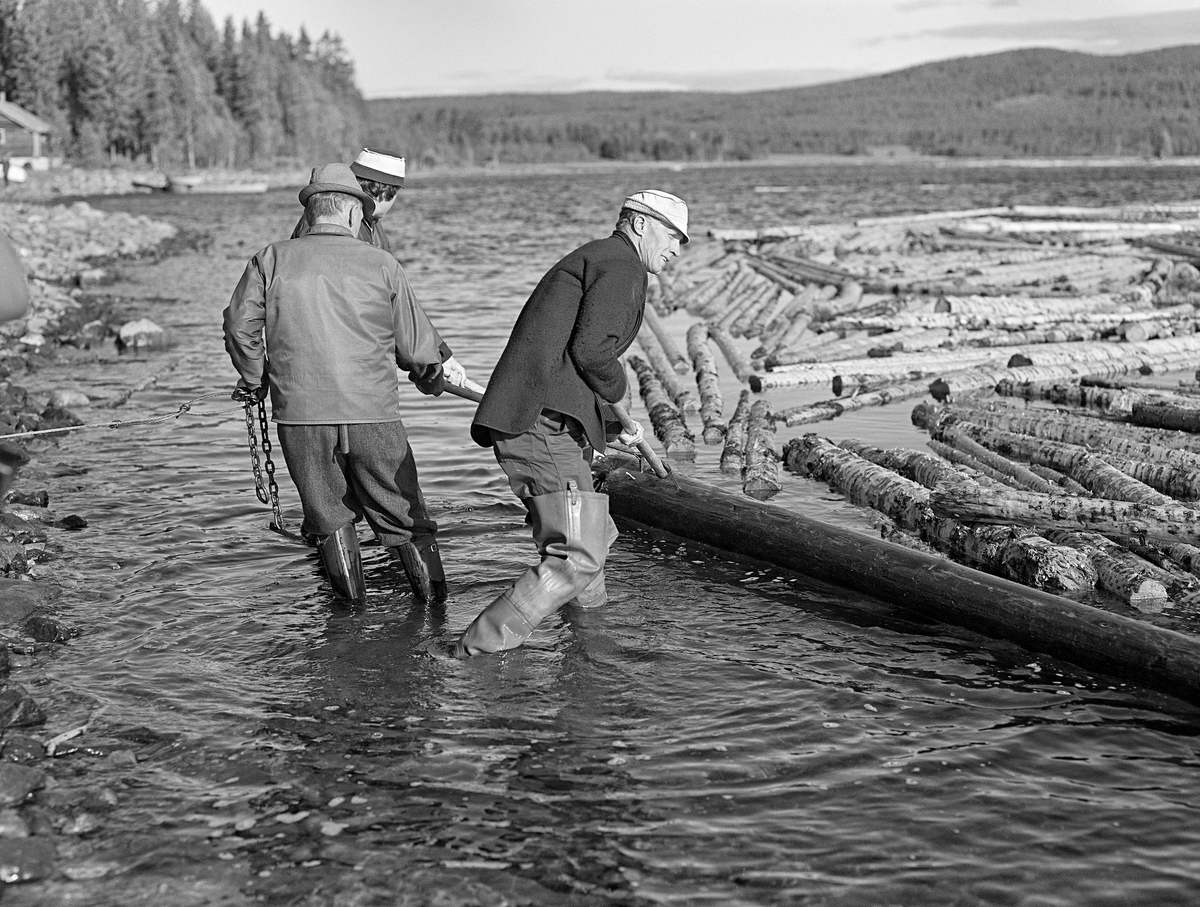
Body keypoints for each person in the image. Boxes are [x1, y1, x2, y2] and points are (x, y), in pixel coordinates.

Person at [455, 189, 689, 657]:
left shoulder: (603, 260)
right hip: (538, 427)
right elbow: (592, 351)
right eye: (671, 235)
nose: (677, 249)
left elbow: (565, 358)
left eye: (682, 241)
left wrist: (605, 418)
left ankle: (590, 652)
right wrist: (618, 392)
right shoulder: (621, 264)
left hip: (551, 420)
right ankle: (470, 655)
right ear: (640, 224)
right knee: (577, 556)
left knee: (594, 542)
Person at [223, 162, 450, 605]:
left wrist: (255, 378)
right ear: (351, 214)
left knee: (329, 521)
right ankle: (435, 617)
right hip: (374, 416)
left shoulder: (270, 258)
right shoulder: (383, 263)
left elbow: (238, 327)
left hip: (300, 418)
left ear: (310, 213)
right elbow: (418, 348)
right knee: (406, 516)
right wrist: (431, 377)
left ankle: (348, 627)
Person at [292, 148, 469, 388]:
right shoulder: (349, 228)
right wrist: (430, 366)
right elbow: (386, 305)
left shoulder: (369, 223)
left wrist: (441, 355)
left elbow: (399, 302)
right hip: (344, 373)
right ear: (388, 192)